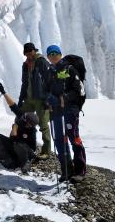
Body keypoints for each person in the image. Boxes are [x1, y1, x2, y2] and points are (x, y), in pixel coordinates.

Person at [45, 45, 87, 182]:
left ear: (60, 54)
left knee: (73, 137)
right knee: (59, 140)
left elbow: (78, 90)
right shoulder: (50, 71)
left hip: (70, 109)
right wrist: (48, 102)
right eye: (50, 54)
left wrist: (64, 98)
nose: (53, 56)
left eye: (55, 53)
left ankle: (80, 170)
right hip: (56, 110)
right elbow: (46, 90)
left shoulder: (69, 69)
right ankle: (67, 170)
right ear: (48, 57)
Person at [17, 42, 52, 159]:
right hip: (28, 98)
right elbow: (24, 83)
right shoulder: (25, 65)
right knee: (21, 119)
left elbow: (49, 81)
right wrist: (21, 99)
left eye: (29, 52)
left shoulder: (42, 62)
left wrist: (47, 99)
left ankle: (46, 151)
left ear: (34, 51)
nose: (28, 55)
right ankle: (23, 143)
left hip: (41, 99)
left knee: (43, 124)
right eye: (26, 53)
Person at [0, 82, 38, 172]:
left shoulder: (32, 131)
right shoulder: (21, 118)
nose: (28, 126)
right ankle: (8, 159)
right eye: (28, 123)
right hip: (14, 145)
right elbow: (12, 105)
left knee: (18, 144)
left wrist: (15, 129)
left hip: (25, 151)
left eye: (30, 125)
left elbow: (32, 148)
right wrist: (3, 92)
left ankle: (25, 163)